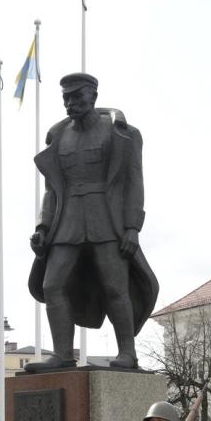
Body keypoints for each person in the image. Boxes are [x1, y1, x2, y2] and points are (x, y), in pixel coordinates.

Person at [25, 72, 158, 372]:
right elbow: (51, 191)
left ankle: (128, 352)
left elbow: (134, 184)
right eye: (66, 98)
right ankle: (62, 354)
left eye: (77, 97)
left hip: (106, 221)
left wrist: (132, 228)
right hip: (66, 222)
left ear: (93, 97)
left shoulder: (122, 133)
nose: (71, 103)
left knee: (115, 287)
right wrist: (42, 227)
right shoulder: (58, 135)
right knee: (53, 285)